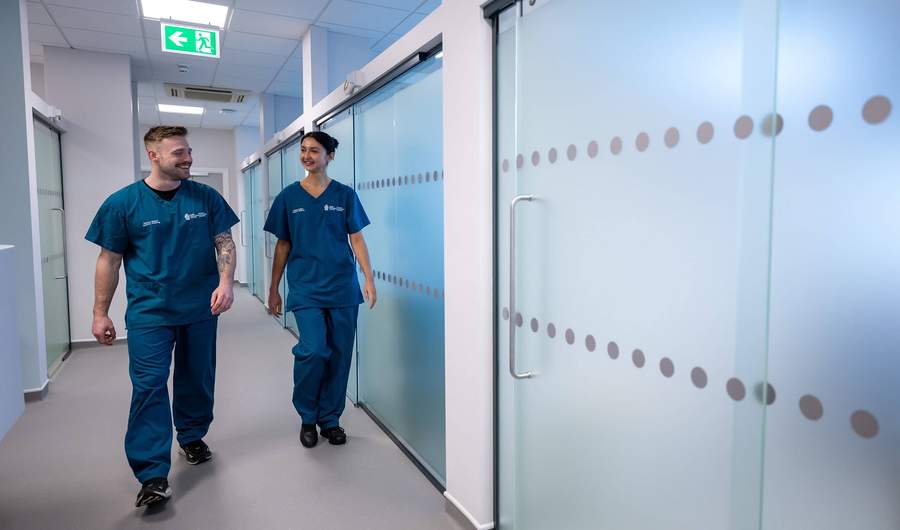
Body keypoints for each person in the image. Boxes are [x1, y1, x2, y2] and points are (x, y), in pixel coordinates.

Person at [85, 125, 239, 507]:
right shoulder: (123, 204)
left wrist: (226, 282)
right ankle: (152, 473)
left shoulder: (205, 197)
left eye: (189, 151)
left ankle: (191, 435)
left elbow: (224, 240)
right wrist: (99, 313)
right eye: (178, 153)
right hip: (149, 312)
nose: (188, 159)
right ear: (153, 156)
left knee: (197, 377)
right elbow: (109, 260)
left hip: (201, 308)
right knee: (150, 385)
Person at [264, 131, 376, 449]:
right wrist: (274, 288)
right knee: (313, 350)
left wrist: (368, 278)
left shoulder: (344, 195)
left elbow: (356, 238)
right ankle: (307, 417)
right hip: (306, 288)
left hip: (342, 288)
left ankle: (330, 420)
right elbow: (283, 245)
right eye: (303, 150)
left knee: (339, 354)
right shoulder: (289, 197)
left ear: (330, 156)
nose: (307, 155)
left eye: (314, 150)